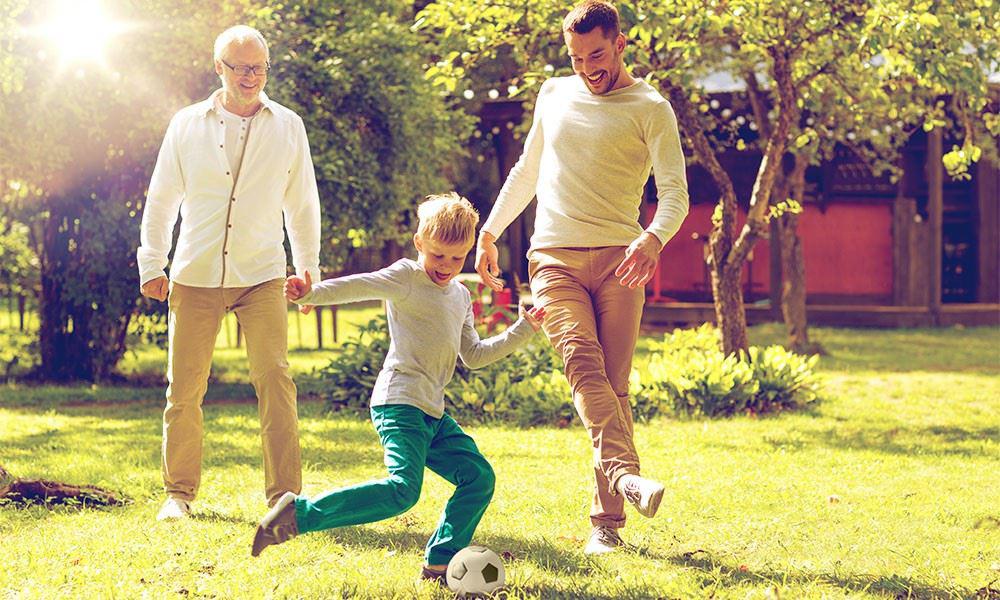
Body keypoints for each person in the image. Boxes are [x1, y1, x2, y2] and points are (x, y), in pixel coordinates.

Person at [475, 0, 690, 555]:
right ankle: (626, 477)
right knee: (582, 365)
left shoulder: (651, 108)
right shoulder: (554, 94)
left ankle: (606, 525)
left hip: (622, 261)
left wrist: (651, 238)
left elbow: (675, 196)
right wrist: (491, 230)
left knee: (613, 389)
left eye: (596, 54)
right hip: (553, 258)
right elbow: (527, 170)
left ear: (620, 44)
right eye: (576, 58)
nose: (587, 67)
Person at [250, 193, 545, 584]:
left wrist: (523, 329)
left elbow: (473, 355)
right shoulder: (407, 277)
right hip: (399, 403)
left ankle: (439, 564)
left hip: (432, 413)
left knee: (478, 478)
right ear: (420, 242)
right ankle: (298, 514)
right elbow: (361, 285)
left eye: (457, 259)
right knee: (403, 491)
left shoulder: (460, 295)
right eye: (438, 255)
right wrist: (310, 293)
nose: (446, 267)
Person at [137, 25, 321, 520]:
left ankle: (284, 497)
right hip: (195, 273)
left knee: (276, 380)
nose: (252, 76)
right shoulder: (186, 124)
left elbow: (302, 203)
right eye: (241, 68)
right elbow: (161, 199)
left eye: (260, 67)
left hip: (261, 272)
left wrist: (308, 267)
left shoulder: (288, 125)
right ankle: (178, 494)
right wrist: (152, 262)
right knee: (184, 388)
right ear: (219, 67)